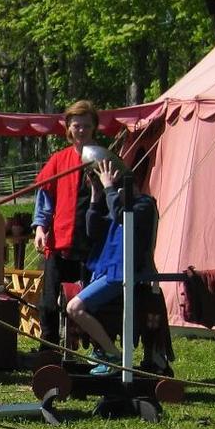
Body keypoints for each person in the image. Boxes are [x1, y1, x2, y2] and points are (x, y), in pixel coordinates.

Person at [66, 153, 158, 375]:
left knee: (74, 308)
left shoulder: (144, 205)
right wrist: (97, 196)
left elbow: (121, 216)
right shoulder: (112, 202)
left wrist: (109, 188)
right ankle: (105, 353)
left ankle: (113, 356)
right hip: (105, 271)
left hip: (123, 274)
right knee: (74, 305)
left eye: (118, 188)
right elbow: (92, 230)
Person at [32, 100, 100, 346]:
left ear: (94, 128)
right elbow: (45, 199)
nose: (81, 130)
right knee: (49, 304)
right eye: (76, 126)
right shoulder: (59, 160)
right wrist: (40, 227)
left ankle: (96, 353)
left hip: (92, 246)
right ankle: (48, 350)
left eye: (86, 126)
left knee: (89, 303)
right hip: (59, 242)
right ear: (69, 129)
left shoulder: (103, 160)